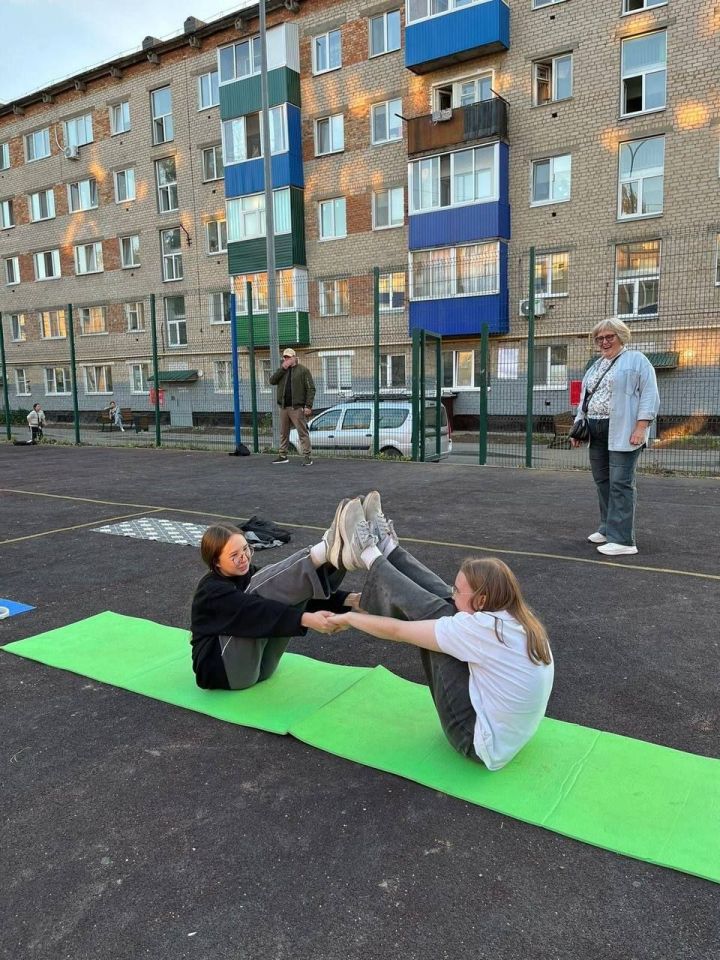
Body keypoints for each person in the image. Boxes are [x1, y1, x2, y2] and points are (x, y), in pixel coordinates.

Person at [326, 494, 554, 771]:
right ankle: (387, 549)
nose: (453, 591)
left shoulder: (484, 631)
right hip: (505, 738)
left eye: (460, 589)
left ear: (482, 601)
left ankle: (368, 553)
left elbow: (400, 631)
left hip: (472, 741)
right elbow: (454, 606)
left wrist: (350, 617)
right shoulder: (516, 619)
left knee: (441, 614)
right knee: (448, 606)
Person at [190, 509, 359, 690]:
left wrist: (349, 600)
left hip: (261, 669)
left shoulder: (248, 574)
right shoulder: (210, 590)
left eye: (246, 548)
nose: (244, 557)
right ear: (216, 562)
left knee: (283, 589)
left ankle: (335, 557)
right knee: (262, 590)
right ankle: (324, 551)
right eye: (234, 556)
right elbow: (253, 611)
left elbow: (290, 591)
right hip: (222, 672)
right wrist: (306, 619)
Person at [571, 318, 660, 557]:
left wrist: (641, 428)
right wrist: (578, 426)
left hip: (623, 429)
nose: (604, 342)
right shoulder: (596, 366)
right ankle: (608, 528)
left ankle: (623, 540)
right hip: (595, 428)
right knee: (603, 481)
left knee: (621, 482)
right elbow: (585, 399)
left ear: (621, 336)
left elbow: (649, 394)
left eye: (609, 337)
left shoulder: (637, 360)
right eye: (599, 338)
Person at [268, 348, 315, 466]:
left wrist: (308, 405)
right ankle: (283, 455)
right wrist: (282, 368)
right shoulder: (282, 371)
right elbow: (272, 381)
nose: (286, 359)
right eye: (285, 357)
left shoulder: (303, 371)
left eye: (289, 357)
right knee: (283, 432)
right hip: (283, 407)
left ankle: (307, 456)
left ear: (295, 357)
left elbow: (311, 389)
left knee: (302, 432)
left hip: (297, 407)